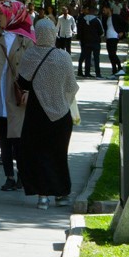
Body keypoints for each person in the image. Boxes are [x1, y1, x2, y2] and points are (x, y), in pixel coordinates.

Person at [17, 18, 80, 209]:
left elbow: (22, 83)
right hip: (61, 115)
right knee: (59, 154)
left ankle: (42, 196)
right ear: (53, 33)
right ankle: (61, 193)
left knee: (38, 153)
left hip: (36, 114)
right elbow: (71, 86)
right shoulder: (63, 57)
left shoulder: (30, 55)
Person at [0, 0, 35, 192]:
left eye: (1, 13)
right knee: (3, 137)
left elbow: (33, 69)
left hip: (17, 95)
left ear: (13, 15)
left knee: (18, 137)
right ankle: (9, 176)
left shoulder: (27, 39)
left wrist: (28, 91)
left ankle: (23, 175)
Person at [77, 3, 103, 79]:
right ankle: (97, 73)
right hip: (95, 42)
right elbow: (101, 32)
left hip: (86, 42)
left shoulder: (83, 20)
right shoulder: (97, 20)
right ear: (94, 12)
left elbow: (80, 31)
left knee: (87, 58)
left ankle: (87, 73)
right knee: (96, 58)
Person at [101, 1, 124, 78]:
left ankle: (120, 68)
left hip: (114, 37)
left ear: (108, 9)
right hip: (108, 37)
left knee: (113, 53)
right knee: (110, 55)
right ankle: (114, 70)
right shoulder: (106, 18)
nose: (103, 12)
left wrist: (122, 32)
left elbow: (124, 24)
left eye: (104, 10)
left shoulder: (116, 17)